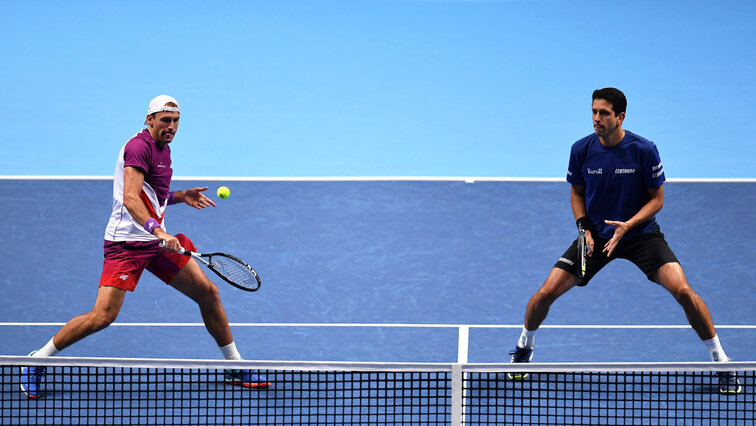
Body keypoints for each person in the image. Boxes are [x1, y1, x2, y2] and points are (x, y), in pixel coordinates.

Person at [20, 95, 269, 399]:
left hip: (155, 242)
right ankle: (36, 360)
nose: (172, 127)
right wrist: (158, 230)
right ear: (149, 120)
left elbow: (152, 195)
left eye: (176, 121)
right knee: (102, 316)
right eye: (165, 120)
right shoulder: (139, 147)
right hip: (127, 244)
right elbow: (130, 197)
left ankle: (234, 366)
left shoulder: (164, 150)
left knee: (208, 293)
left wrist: (179, 197)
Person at [508, 88, 740, 394]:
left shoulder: (644, 150)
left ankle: (720, 360)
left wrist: (628, 225)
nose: (596, 119)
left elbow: (657, 200)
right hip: (596, 238)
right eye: (593, 112)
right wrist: (584, 229)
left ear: (620, 117)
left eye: (604, 113)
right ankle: (525, 344)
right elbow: (577, 192)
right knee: (544, 294)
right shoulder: (581, 150)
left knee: (683, 291)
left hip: (640, 236)